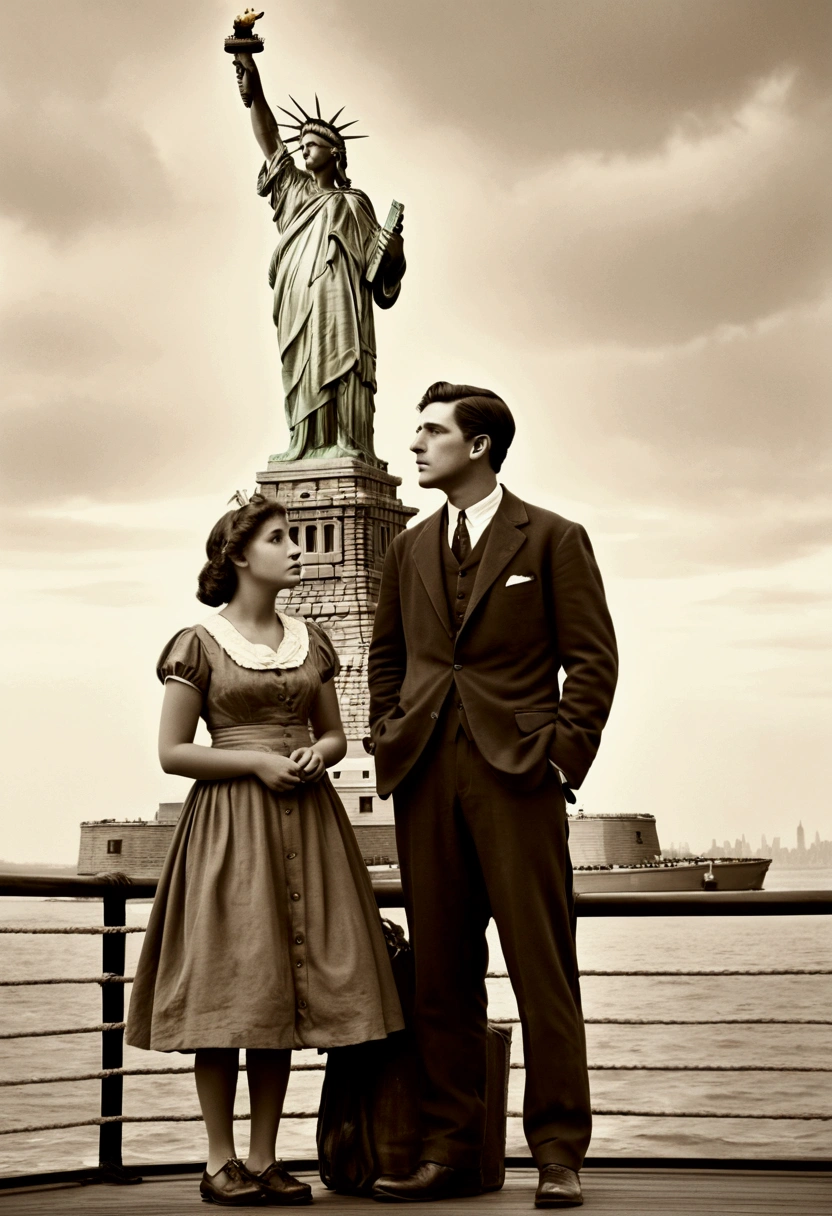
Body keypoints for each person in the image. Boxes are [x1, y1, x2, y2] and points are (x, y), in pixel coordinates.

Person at [367, 384, 618, 1208]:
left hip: (521, 781)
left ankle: (556, 1153)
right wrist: (388, 736)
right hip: (426, 779)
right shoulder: (406, 551)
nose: (416, 444)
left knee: (543, 970)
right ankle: (449, 1150)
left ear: (478, 447)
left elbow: (593, 661)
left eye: (432, 432)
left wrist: (560, 757)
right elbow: (388, 658)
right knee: (440, 975)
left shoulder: (552, 538)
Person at [126, 493, 403, 1206]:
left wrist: (319, 753)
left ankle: (263, 1156)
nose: (297, 549)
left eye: (293, 537)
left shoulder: (308, 640)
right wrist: (254, 762)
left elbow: (337, 733)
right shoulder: (198, 642)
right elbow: (172, 752)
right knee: (230, 991)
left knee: (278, 991)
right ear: (241, 557)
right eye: (281, 539)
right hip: (229, 832)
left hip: (306, 824)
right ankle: (219, 1160)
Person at [231, 51, 405, 466]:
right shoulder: (293, 191)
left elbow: (377, 271)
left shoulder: (354, 202)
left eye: (313, 145)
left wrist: (394, 249)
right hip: (297, 299)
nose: (304, 150)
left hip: (340, 303)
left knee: (342, 367)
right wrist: (254, 91)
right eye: (303, 145)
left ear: (335, 153)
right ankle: (304, 444)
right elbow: (270, 140)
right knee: (303, 370)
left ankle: (347, 441)